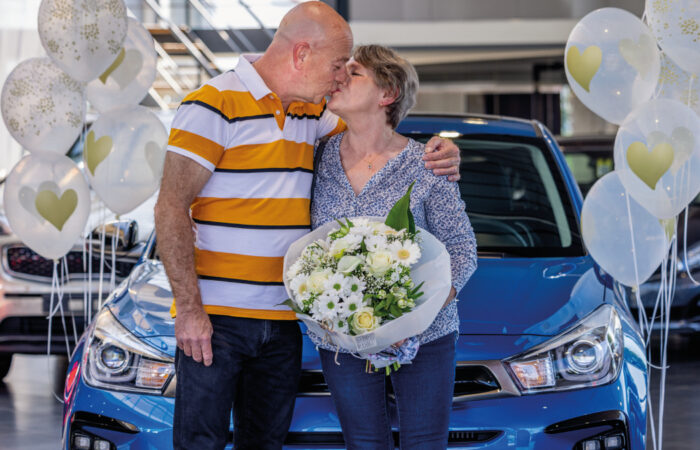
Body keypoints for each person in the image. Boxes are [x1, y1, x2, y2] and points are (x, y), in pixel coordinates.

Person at [154, 2, 462, 449]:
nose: (339, 77)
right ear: (302, 54)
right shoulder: (212, 105)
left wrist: (442, 152)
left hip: (284, 322)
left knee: (264, 442)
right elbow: (169, 206)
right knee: (200, 442)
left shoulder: (312, 114)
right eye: (338, 65)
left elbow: (378, 132)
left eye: (346, 70)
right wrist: (190, 310)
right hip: (217, 321)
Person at [309, 44, 478, 449]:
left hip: (426, 336)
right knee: (363, 443)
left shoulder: (427, 163)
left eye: (354, 73)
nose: (338, 79)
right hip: (344, 338)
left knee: (424, 443)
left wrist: (411, 321)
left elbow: (462, 249)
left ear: (387, 93)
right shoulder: (314, 159)